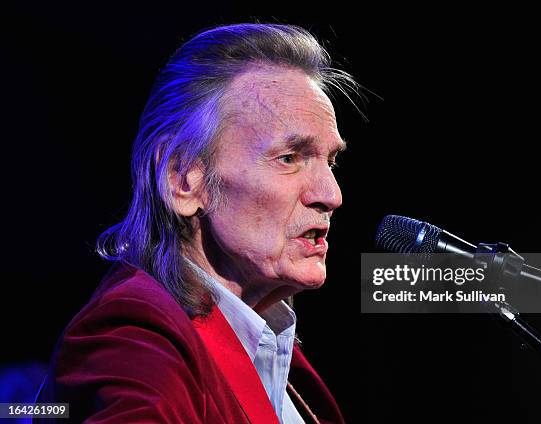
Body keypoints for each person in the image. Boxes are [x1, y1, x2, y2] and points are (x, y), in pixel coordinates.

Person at [35, 23, 356, 423]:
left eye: (332, 161)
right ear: (184, 180)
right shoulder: (134, 337)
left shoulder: (282, 364)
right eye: (289, 158)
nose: (331, 194)